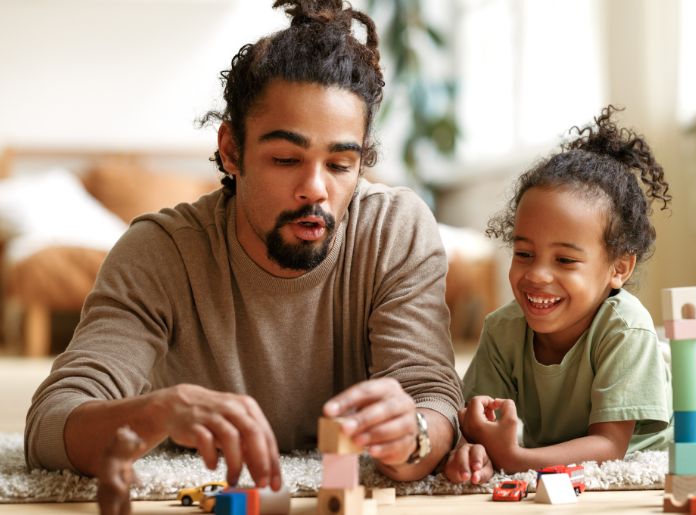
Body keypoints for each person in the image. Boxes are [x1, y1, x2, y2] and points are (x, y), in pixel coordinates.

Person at [25, 0, 463, 488]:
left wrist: (413, 437)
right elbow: (51, 426)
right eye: (285, 160)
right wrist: (158, 412)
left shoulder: (395, 231)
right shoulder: (160, 251)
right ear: (232, 151)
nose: (315, 189)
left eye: (340, 165)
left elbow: (434, 401)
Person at [443, 106, 696, 484]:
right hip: (635, 353)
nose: (536, 274)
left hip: (688, 401)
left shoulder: (624, 329)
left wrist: (518, 458)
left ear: (619, 268)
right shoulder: (502, 330)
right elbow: (477, 422)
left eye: (565, 260)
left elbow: (609, 445)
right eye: (524, 253)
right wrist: (472, 450)